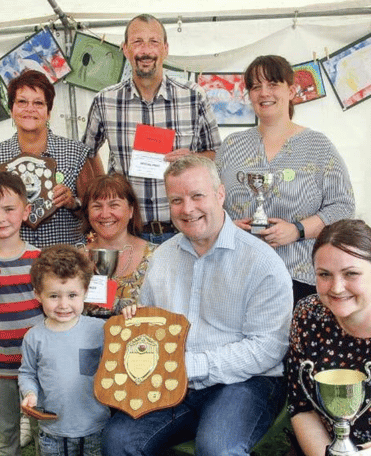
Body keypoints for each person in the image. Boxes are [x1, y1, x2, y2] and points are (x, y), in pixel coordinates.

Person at [103, 155, 293, 456]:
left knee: (218, 450)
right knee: (119, 442)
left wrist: (190, 366)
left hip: (249, 381)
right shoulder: (164, 258)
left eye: (197, 196)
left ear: (220, 195)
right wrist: (135, 327)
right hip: (178, 380)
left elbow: (268, 348)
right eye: (176, 200)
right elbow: (153, 323)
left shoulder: (262, 262)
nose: (187, 209)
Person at [217, 55, 355, 306]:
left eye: (272, 84)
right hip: (238, 275)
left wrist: (297, 230)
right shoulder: (231, 146)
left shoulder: (318, 146)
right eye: (255, 86)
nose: (264, 93)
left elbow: (343, 207)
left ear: (291, 91)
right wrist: (227, 226)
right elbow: (213, 203)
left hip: (299, 278)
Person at [285, 219, 371, 456]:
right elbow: (301, 406)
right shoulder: (308, 315)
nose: (336, 288)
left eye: (351, 274)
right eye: (324, 275)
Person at [82, 13, 221, 244]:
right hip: (127, 234)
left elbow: (215, 153)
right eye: (137, 42)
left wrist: (194, 159)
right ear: (125, 49)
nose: (146, 51)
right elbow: (86, 154)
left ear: (165, 48)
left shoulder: (193, 96)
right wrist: (103, 189)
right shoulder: (105, 100)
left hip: (183, 232)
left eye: (153, 42)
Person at [18, 245, 112, 456]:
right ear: (38, 295)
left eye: (72, 295)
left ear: (85, 291)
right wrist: (30, 393)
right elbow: (27, 373)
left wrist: (131, 315)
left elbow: (124, 354)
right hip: (53, 431)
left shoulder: (99, 330)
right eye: (53, 296)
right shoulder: (34, 338)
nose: (63, 304)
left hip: (95, 427)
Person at [0, 173, 50, 456]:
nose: (1, 217)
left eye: (8, 208)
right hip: (0, 368)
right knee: (6, 429)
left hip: (38, 368)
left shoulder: (40, 261)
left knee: (43, 428)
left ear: (25, 211)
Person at [0, 69, 97, 248]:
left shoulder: (75, 152)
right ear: (12, 109)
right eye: (22, 102)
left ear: (49, 111)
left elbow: (96, 209)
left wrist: (73, 202)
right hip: (11, 263)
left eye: (38, 103)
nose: (30, 109)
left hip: (65, 261)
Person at [81, 174, 157, 317]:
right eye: (97, 206)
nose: (105, 214)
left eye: (114, 205)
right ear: (87, 212)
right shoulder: (75, 260)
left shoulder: (155, 256)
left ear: (130, 211)